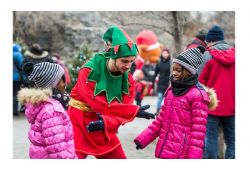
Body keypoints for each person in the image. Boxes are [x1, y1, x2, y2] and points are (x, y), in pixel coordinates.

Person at [67, 25, 155, 159]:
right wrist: (133, 111)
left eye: (131, 62)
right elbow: (98, 104)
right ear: (113, 57)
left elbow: (122, 109)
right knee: (73, 158)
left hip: (102, 121)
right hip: (78, 119)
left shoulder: (128, 80)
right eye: (124, 61)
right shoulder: (89, 71)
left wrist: (107, 122)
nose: (128, 66)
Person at [134, 46, 218, 159]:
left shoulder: (197, 95)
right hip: (166, 149)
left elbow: (198, 133)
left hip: (182, 153)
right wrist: (143, 139)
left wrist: (193, 157)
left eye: (178, 70)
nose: (174, 73)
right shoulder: (171, 91)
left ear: (189, 71)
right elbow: (160, 120)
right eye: (173, 69)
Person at [17, 62, 76, 159]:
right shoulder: (52, 110)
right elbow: (57, 150)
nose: (66, 83)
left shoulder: (42, 104)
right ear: (54, 84)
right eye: (63, 79)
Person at [199, 25, 235, 159]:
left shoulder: (208, 55)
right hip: (232, 106)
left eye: (207, 41)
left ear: (211, 40)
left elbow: (200, 81)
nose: (207, 44)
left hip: (212, 105)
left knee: (210, 138)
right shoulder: (236, 54)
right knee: (232, 140)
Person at [152, 48, 171, 115]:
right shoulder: (159, 62)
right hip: (160, 82)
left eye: (166, 53)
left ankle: (165, 111)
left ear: (168, 54)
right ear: (162, 54)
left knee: (166, 98)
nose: (165, 54)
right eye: (164, 53)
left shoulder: (171, 63)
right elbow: (155, 73)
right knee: (159, 97)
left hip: (167, 83)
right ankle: (157, 110)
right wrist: (153, 82)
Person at [13, 43, 24, 116]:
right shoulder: (18, 55)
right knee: (15, 94)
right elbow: (22, 66)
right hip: (16, 78)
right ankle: (15, 111)